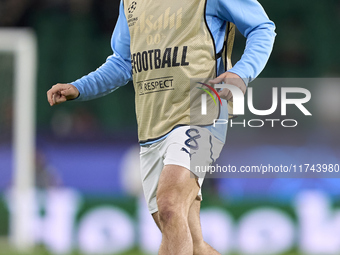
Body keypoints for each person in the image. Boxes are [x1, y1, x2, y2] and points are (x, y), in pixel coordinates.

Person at [47, 0, 276, 254]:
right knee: (190, 241)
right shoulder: (131, 2)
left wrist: (242, 73)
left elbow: (262, 28)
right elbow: (124, 62)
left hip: (202, 112)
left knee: (168, 204)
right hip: (152, 128)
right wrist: (80, 88)